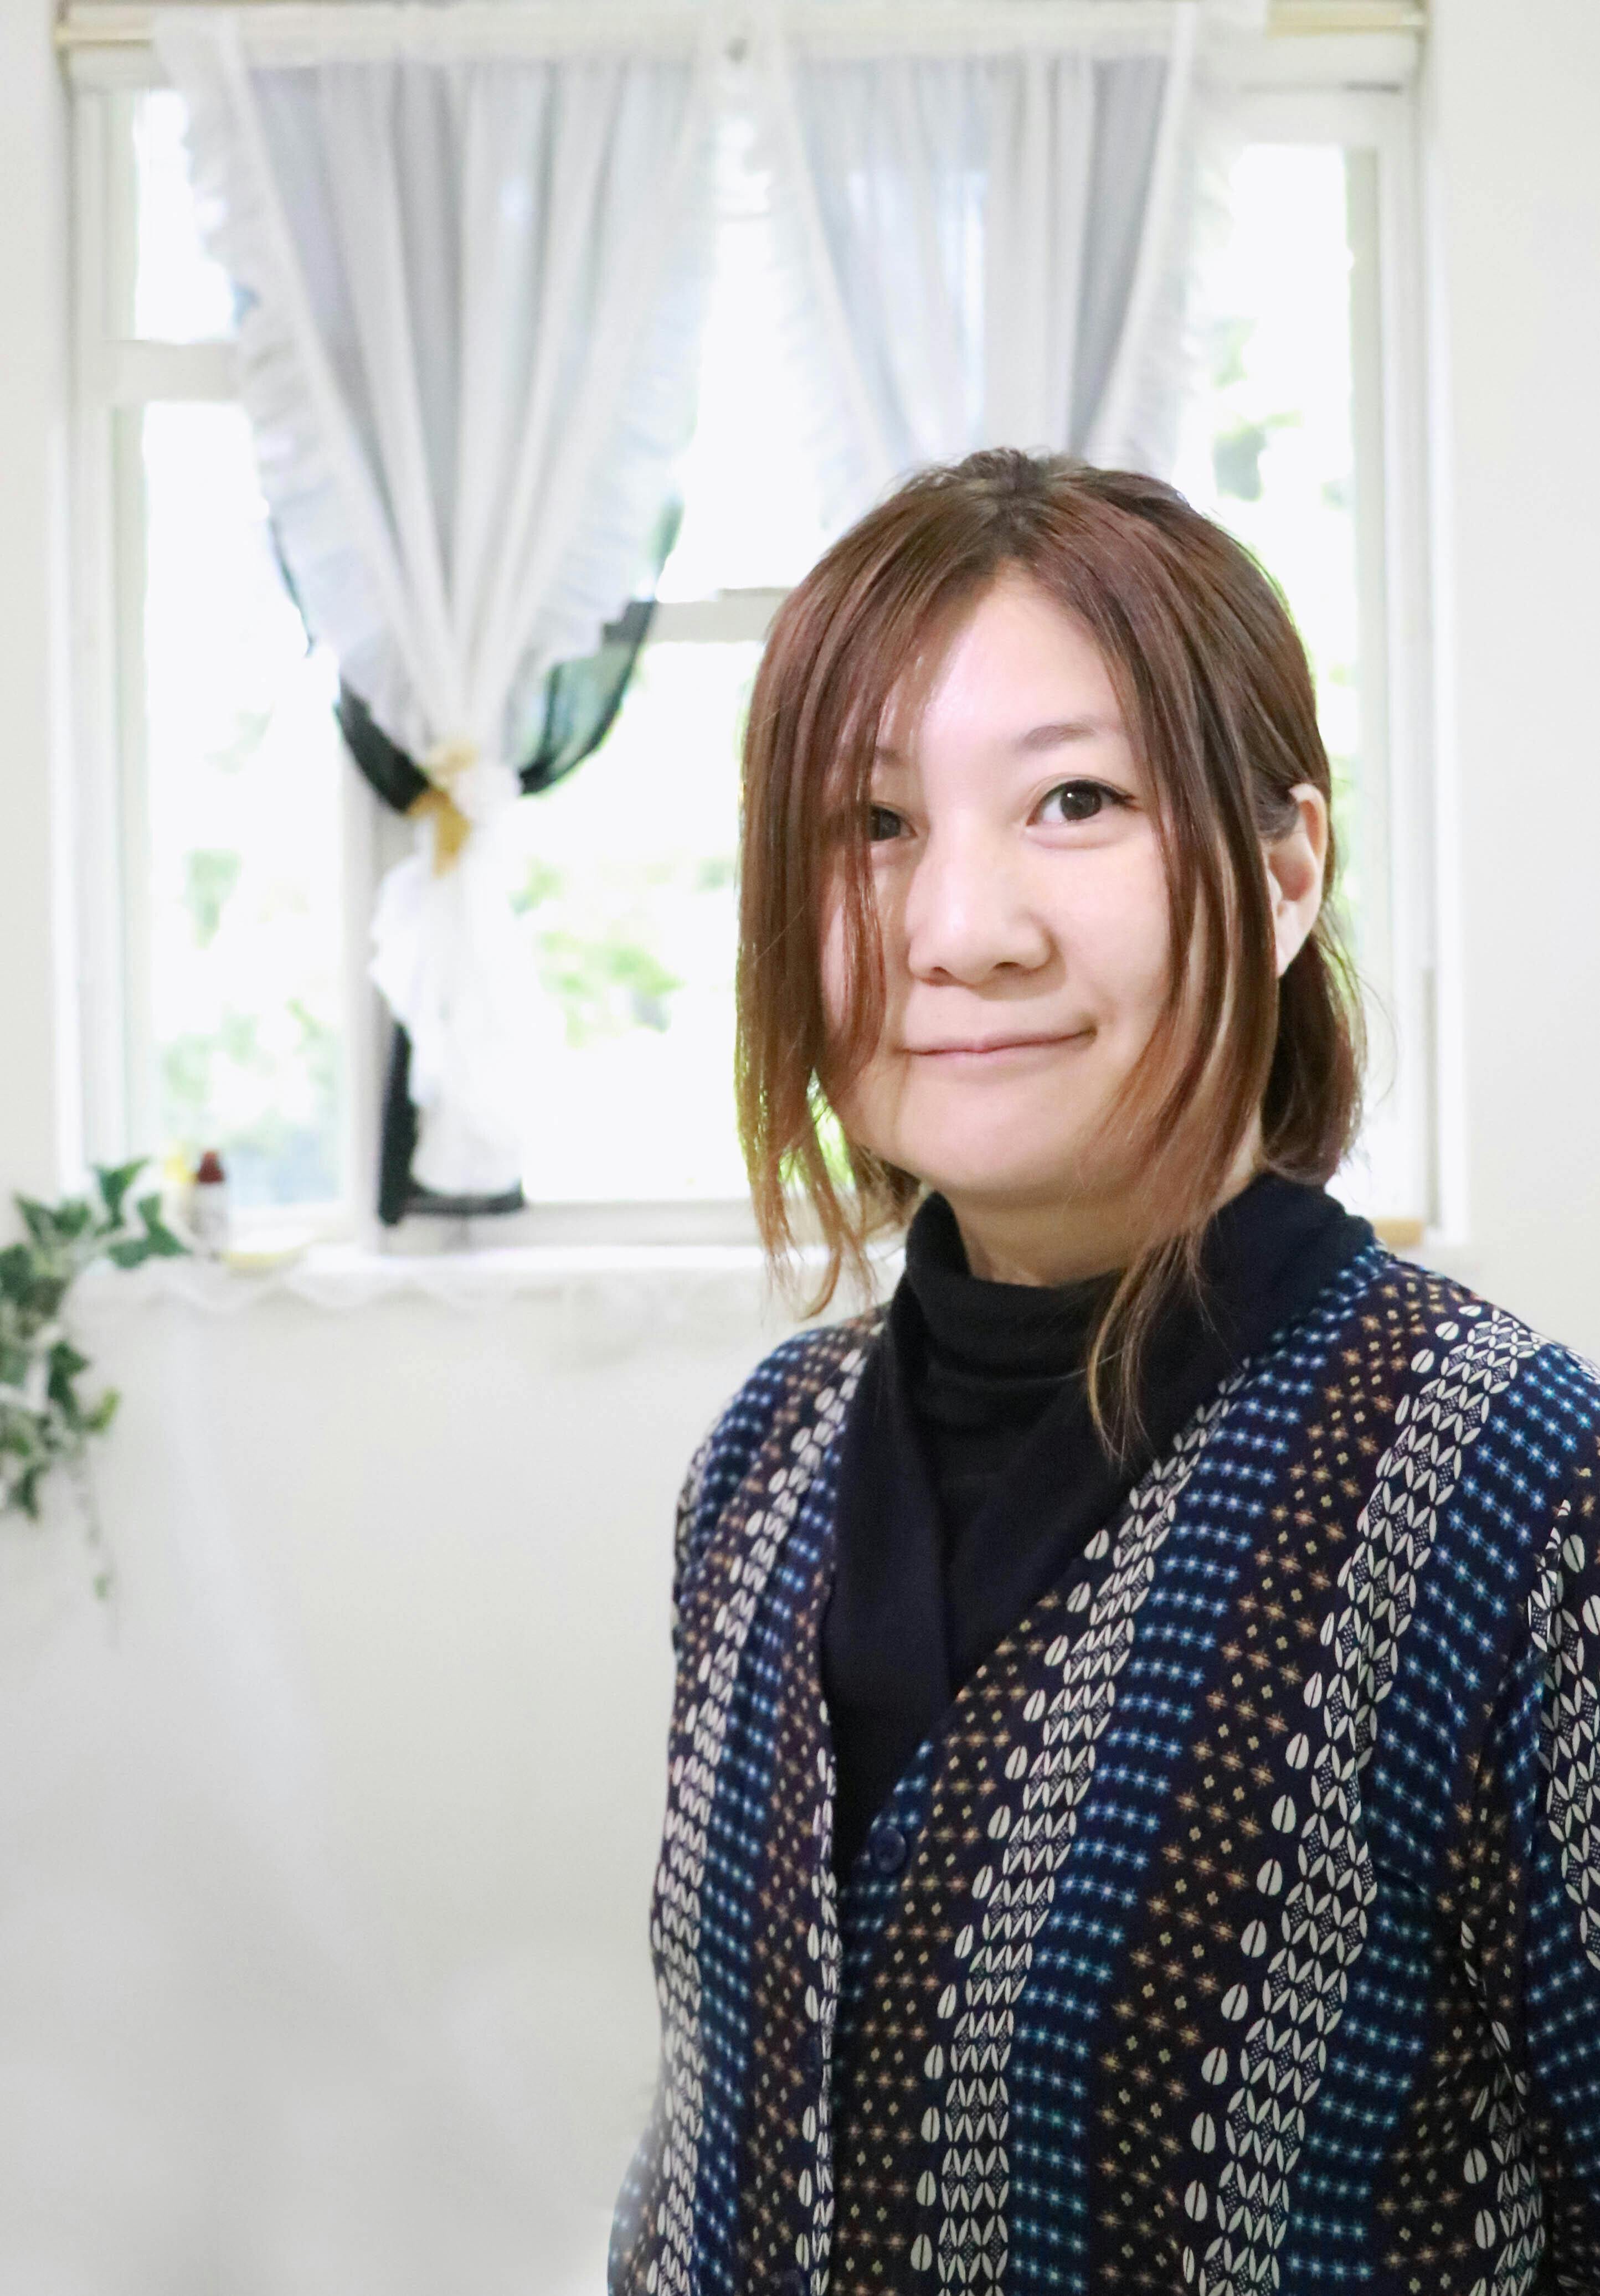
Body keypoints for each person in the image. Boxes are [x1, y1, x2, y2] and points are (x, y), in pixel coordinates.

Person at [608, 451, 1600, 2296]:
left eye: (1074, 800)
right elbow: (708, 2152)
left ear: (1283, 871)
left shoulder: (1513, 1482)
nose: (958, 929)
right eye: (872, 822)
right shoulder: (764, 1455)